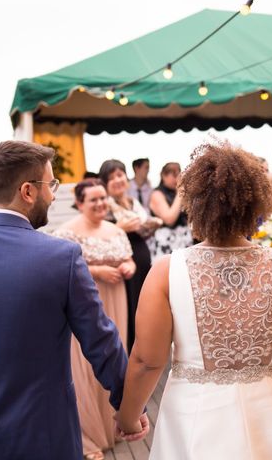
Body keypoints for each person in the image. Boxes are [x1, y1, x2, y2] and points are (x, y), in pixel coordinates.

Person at [0, 141, 140, 459]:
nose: (52, 194)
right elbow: (101, 341)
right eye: (51, 184)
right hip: (42, 437)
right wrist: (128, 408)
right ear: (28, 191)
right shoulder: (62, 257)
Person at [116, 143, 272, 459]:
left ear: (194, 204)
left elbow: (147, 360)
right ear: (255, 204)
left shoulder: (166, 272)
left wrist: (128, 417)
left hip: (195, 415)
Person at [54, 178, 136, 460]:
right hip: (86, 301)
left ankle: (112, 425)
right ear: (79, 203)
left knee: (115, 356)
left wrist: (127, 265)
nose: (101, 203)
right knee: (85, 366)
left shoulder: (116, 230)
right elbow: (60, 269)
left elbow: (131, 258)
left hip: (116, 299)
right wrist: (98, 271)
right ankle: (86, 435)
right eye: (94, 200)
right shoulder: (66, 233)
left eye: (103, 198)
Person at [99, 159, 161, 351]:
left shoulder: (133, 202)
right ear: (105, 184)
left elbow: (142, 228)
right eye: (111, 178)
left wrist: (151, 225)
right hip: (122, 262)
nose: (117, 180)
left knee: (144, 303)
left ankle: (144, 344)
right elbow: (99, 235)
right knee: (128, 306)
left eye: (120, 175)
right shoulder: (105, 206)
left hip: (141, 256)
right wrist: (121, 227)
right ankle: (128, 347)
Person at [148, 162, 193, 262]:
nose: (177, 179)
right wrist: (180, 192)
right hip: (167, 242)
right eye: (174, 174)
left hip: (184, 240)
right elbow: (169, 219)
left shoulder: (180, 194)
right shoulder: (157, 194)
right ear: (164, 175)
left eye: (179, 174)